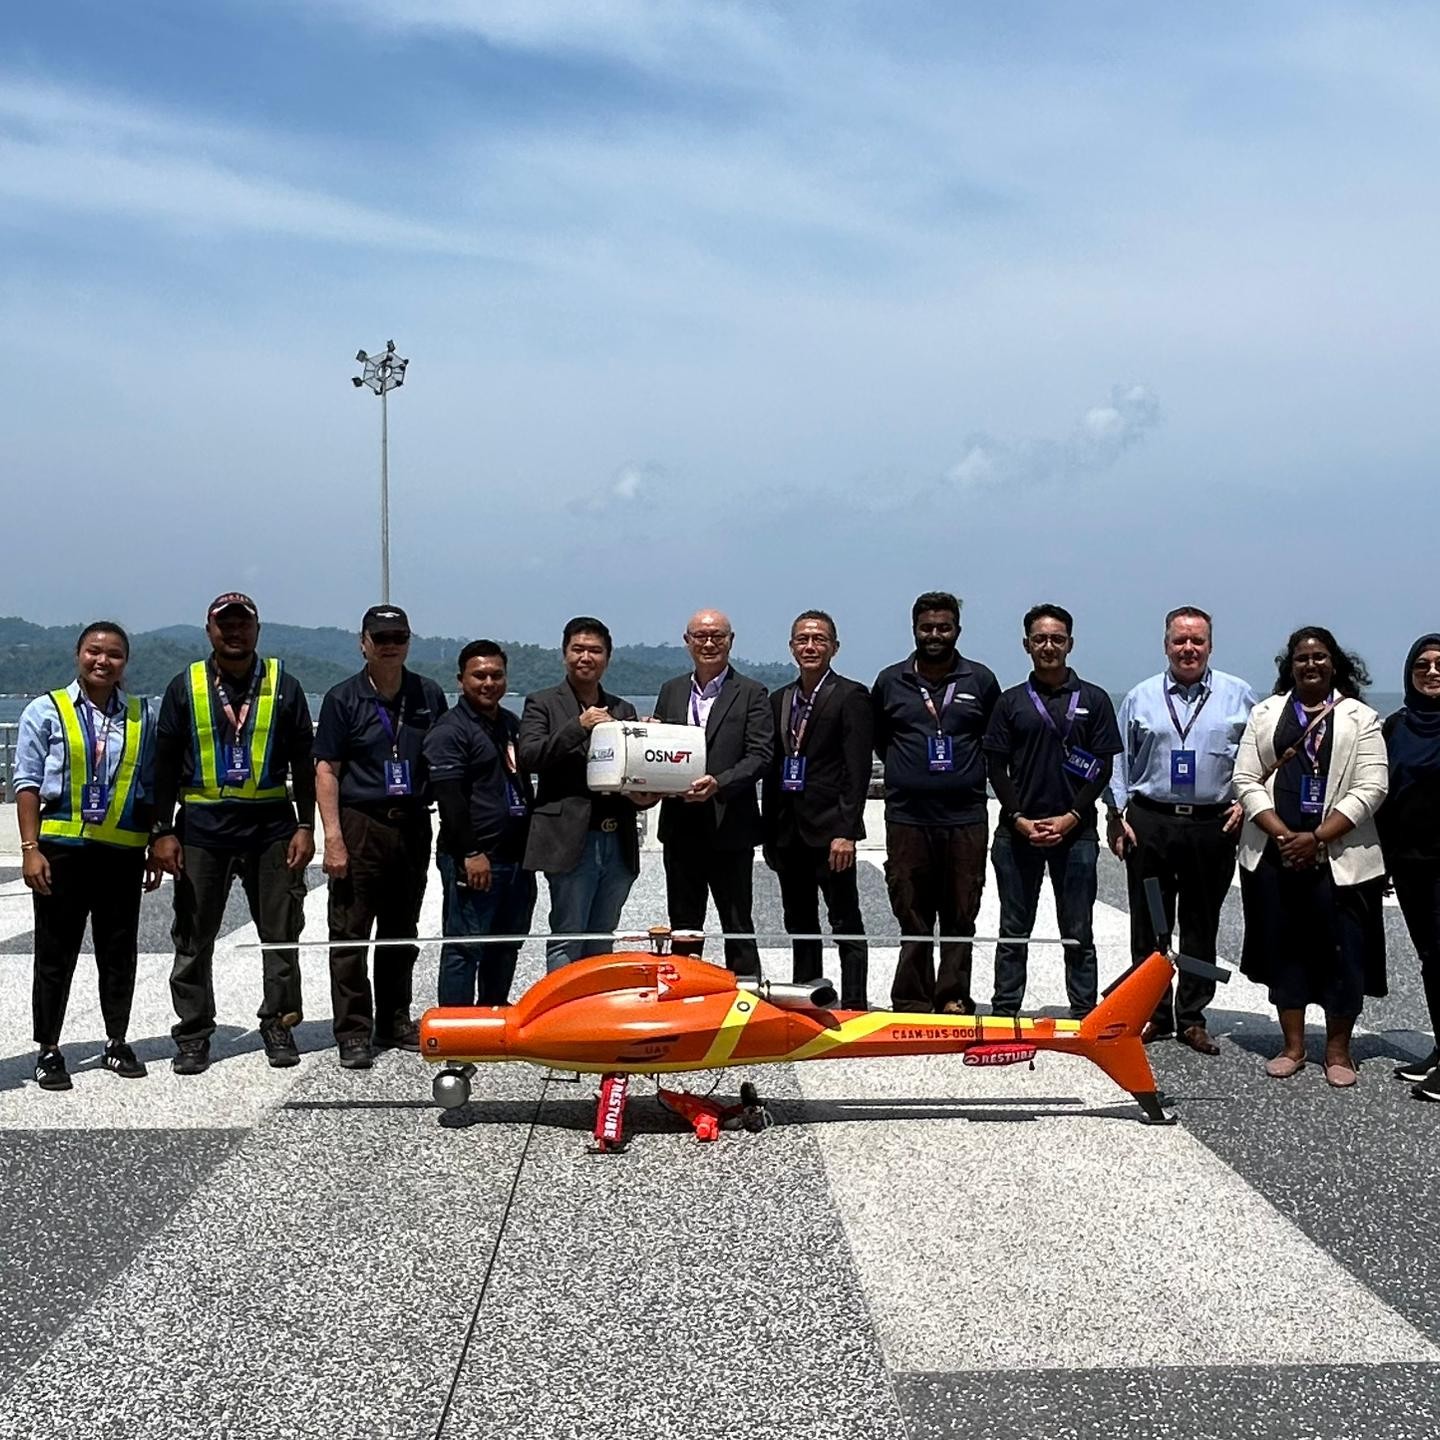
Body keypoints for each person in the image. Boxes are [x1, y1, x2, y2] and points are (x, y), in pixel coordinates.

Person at [150, 593, 316, 1074]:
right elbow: (164, 765)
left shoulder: (284, 685)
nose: (235, 632)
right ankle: (194, 1032)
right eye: (225, 624)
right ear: (210, 630)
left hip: (272, 828)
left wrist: (306, 825)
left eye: (243, 623)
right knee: (193, 935)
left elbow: (304, 762)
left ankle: (279, 1023)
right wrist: (162, 830)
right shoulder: (186, 686)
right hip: (203, 829)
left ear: (257, 630)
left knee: (281, 933)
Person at [1234, 626, 1388, 1087]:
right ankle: (1293, 1046)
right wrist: (1285, 836)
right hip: (1276, 853)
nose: (1311, 664)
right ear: (1291, 665)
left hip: (1341, 857)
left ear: (1334, 663)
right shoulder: (1265, 714)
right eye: (1301, 657)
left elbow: (1372, 787)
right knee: (1286, 949)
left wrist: (1318, 837)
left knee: (1345, 952)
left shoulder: (1362, 718)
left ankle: (1338, 1051)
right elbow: (1245, 779)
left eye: (1319, 656)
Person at [13, 622, 161, 1090]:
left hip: (122, 851)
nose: (103, 661)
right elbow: (27, 783)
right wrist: (30, 849)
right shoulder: (46, 710)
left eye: (114, 654)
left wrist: (156, 840)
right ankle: (49, 1049)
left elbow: (151, 784)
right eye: (94, 651)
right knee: (55, 952)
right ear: (78, 654)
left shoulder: (142, 715)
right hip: (62, 851)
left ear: (125, 662)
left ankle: (116, 1040)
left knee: (118, 950)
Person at [1108, 606, 1257, 1054]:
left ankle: (1192, 1016)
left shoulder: (1239, 695)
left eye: (1197, 641)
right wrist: (1116, 815)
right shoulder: (1141, 697)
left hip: (1212, 826)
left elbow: (1259, 755)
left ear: (1210, 645)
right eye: (1180, 640)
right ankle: (1153, 1012)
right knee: (1151, 922)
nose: (1188, 649)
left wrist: (1247, 802)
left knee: (1200, 922)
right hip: (1151, 823)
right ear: (1166, 645)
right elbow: (1119, 760)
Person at [313, 605, 448, 1068]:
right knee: (349, 931)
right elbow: (326, 770)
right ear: (363, 643)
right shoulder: (343, 698)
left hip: (411, 822)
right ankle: (353, 1029)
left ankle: (393, 1018)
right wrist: (333, 838)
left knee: (401, 930)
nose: (390, 646)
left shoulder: (427, 694)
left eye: (398, 637)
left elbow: (445, 759)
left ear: (408, 642)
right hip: (361, 822)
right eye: (381, 638)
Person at [983, 605, 1120, 1018]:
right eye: (1040, 639)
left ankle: (1084, 1013)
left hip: (1076, 832)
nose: (1048, 646)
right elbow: (996, 767)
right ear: (1026, 645)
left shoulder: (1094, 699)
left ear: (1070, 644)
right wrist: (1018, 818)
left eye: (1057, 639)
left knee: (1078, 930)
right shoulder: (1010, 701)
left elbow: (1102, 767)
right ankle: (1005, 1010)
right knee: (1013, 929)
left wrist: (1072, 816)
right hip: (1018, 832)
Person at [871, 590, 1000, 1013]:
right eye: (927, 627)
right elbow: (881, 739)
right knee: (911, 910)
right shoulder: (890, 681)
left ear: (957, 630)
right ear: (914, 629)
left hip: (965, 816)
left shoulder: (980, 680)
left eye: (944, 627)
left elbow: (993, 741)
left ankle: (952, 995)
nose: (935, 635)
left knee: (962, 911)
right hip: (907, 816)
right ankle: (911, 998)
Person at [519, 617, 647, 971]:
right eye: (578, 649)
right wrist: (578, 726)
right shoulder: (542, 703)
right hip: (570, 839)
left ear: (608, 657)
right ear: (564, 654)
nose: (586, 657)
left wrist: (649, 787)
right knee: (567, 936)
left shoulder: (623, 710)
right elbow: (529, 757)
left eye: (595, 650)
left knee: (603, 937)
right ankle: (562, 1006)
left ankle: (593, 1004)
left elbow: (634, 773)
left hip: (618, 838)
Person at [652, 609, 775, 975]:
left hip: (730, 827)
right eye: (701, 636)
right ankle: (686, 993)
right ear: (687, 641)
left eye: (717, 636)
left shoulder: (752, 692)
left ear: (731, 641)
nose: (709, 643)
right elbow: (659, 749)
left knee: (737, 923)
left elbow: (761, 756)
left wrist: (719, 782)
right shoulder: (671, 690)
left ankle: (747, 994)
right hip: (680, 826)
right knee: (684, 925)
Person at [761, 610, 873, 1009]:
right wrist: (769, 834)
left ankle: (855, 1005)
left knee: (845, 921)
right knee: (800, 923)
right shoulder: (780, 700)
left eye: (819, 639)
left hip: (831, 834)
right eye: (803, 640)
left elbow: (857, 771)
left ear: (834, 647)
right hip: (788, 832)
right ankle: (807, 1001)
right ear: (792, 647)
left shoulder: (851, 695)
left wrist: (847, 831)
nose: (810, 646)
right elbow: (773, 771)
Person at [423, 641, 536, 1006]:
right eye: (479, 676)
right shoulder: (450, 730)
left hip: (515, 858)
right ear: (461, 680)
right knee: (465, 947)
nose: (489, 683)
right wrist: (471, 852)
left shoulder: (510, 724)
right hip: (475, 858)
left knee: (506, 944)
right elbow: (450, 799)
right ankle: (456, 1026)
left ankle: (492, 1014)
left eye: (496, 675)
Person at [1378, 633, 1440, 1100]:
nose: (1432, 672)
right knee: (1430, 959)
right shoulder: (1396, 727)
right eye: (1422, 665)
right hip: (1409, 863)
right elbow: (1384, 794)